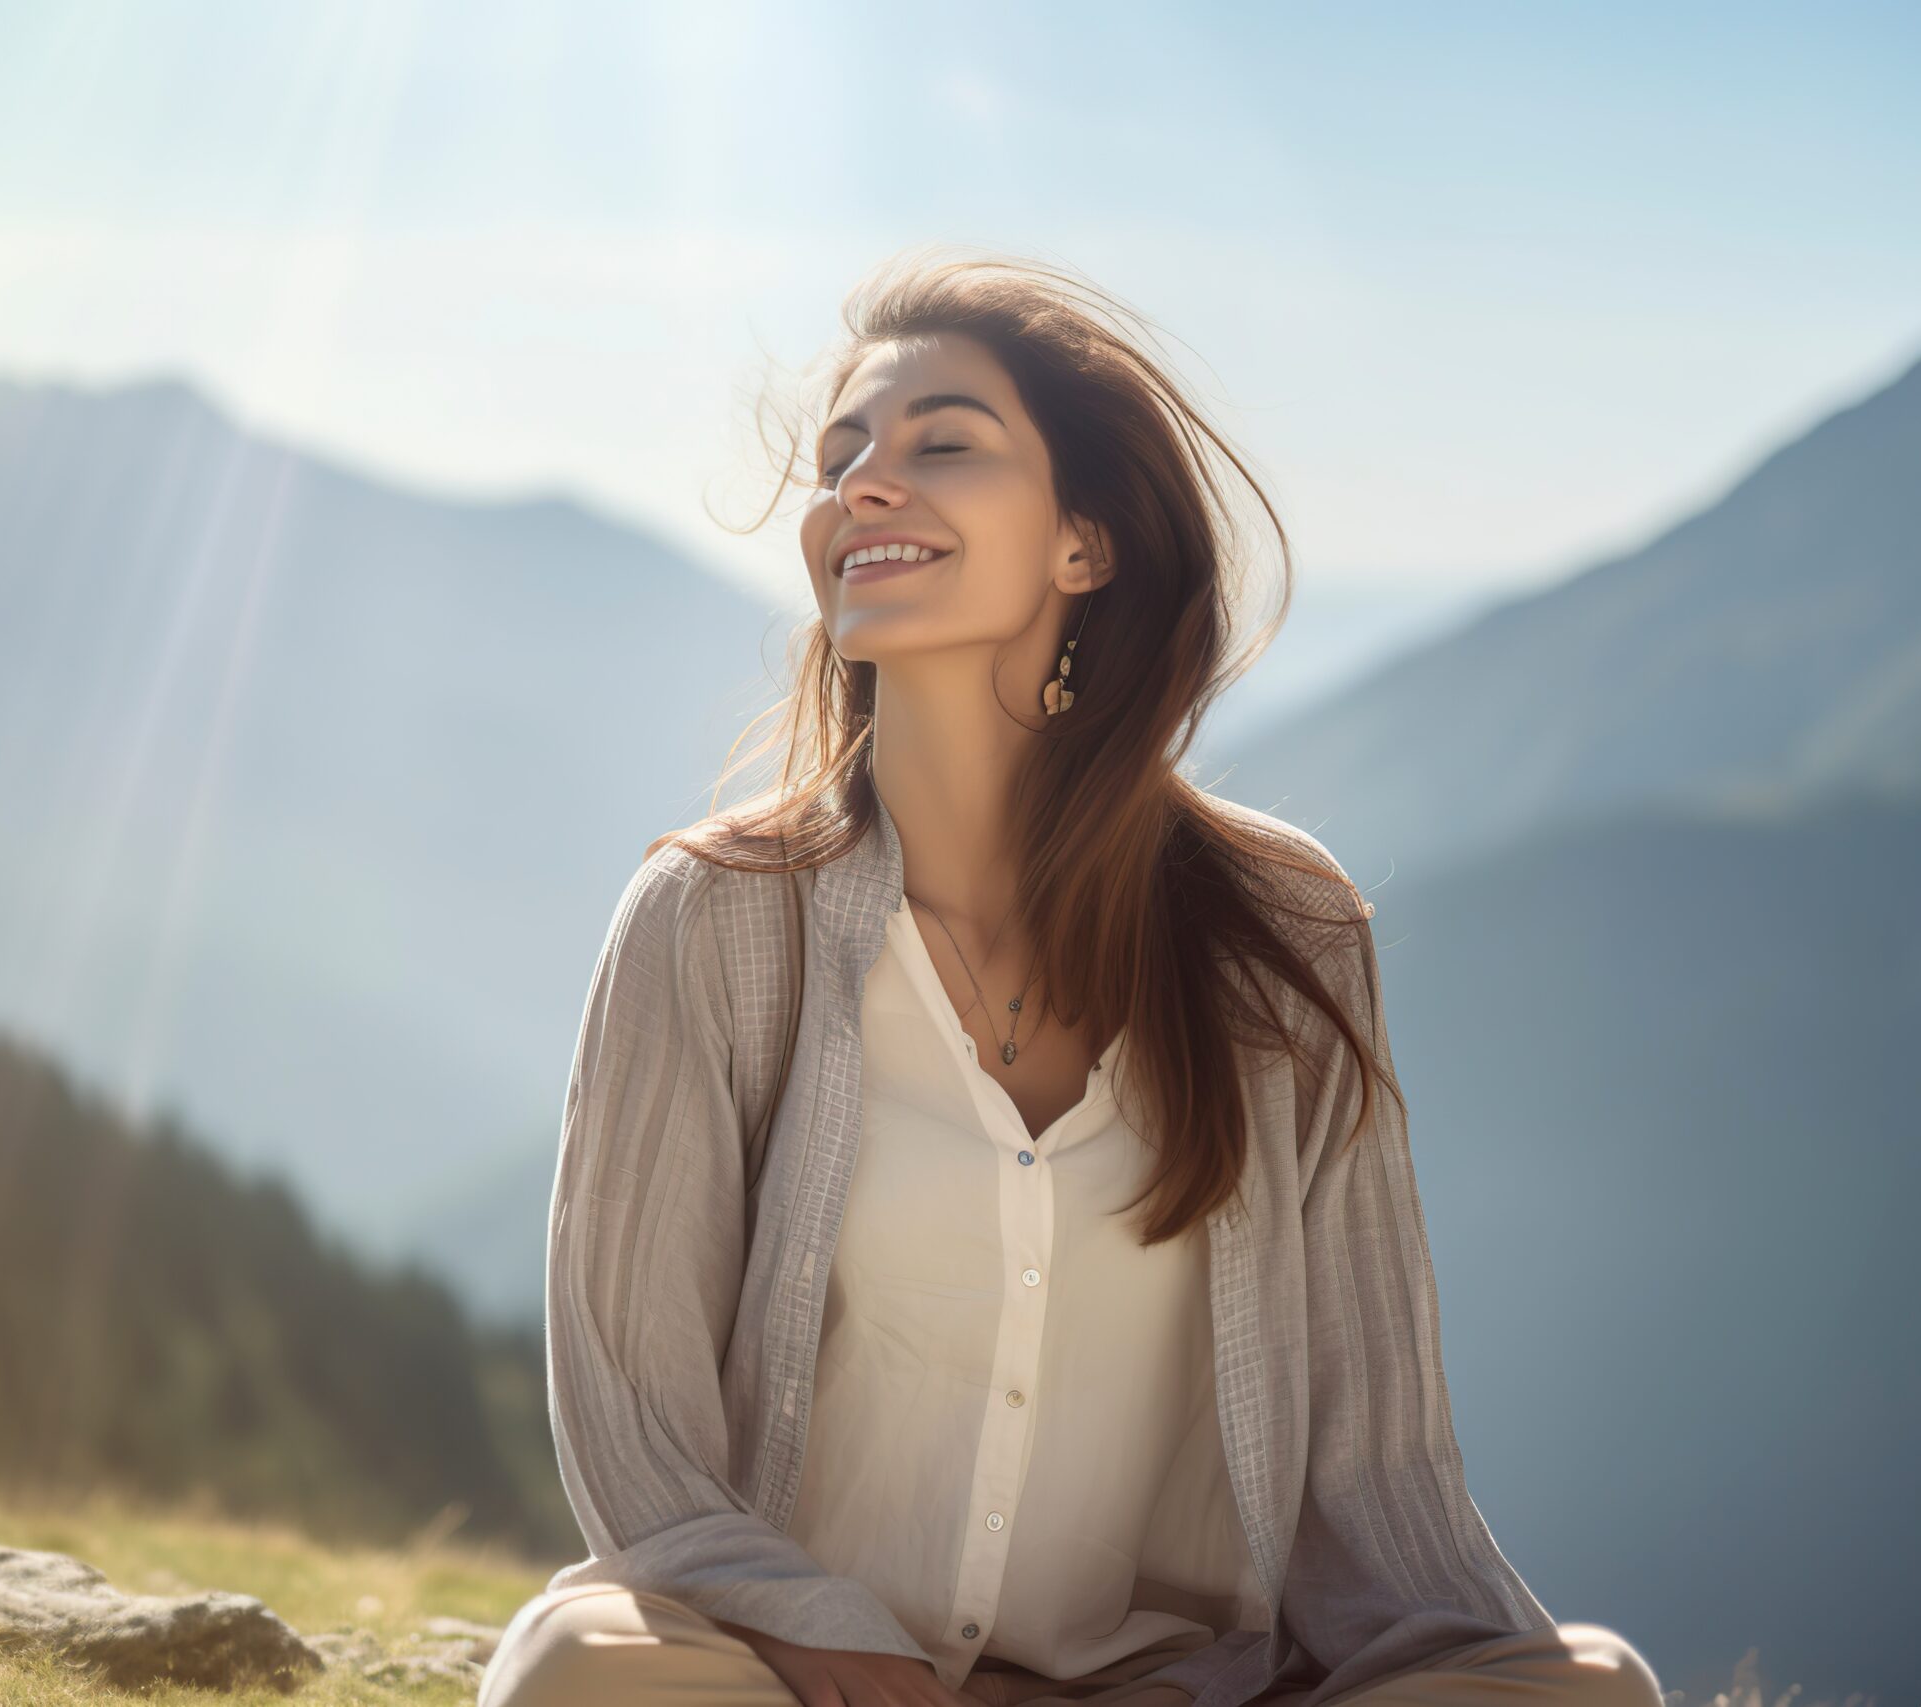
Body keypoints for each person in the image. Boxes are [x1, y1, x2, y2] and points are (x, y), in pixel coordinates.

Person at [479, 251, 1663, 1707]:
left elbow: (1377, 1456)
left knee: (1593, 1688)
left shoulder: (1285, 933)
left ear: (1083, 548)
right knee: (579, 1665)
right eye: (842, 454)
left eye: (944, 445)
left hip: (1167, 1694)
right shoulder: (712, 918)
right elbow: (632, 1427)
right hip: (820, 1684)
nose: (863, 484)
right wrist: (811, 1625)